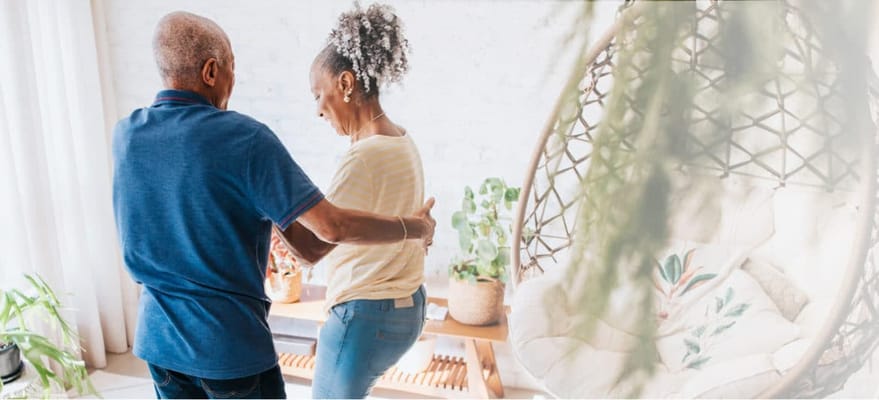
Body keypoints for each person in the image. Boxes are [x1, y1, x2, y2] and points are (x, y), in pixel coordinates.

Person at [111, 11, 435, 399]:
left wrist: (269, 203)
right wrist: (416, 227)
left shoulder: (126, 135)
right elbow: (328, 231)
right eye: (232, 67)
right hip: (228, 348)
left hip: (159, 343)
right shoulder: (245, 139)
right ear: (211, 72)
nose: (234, 80)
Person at [278, 4, 427, 398]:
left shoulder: (365, 155)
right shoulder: (401, 139)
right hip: (407, 306)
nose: (318, 110)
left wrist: (268, 198)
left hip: (366, 315)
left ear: (345, 83)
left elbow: (313, 247)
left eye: (318, 95)